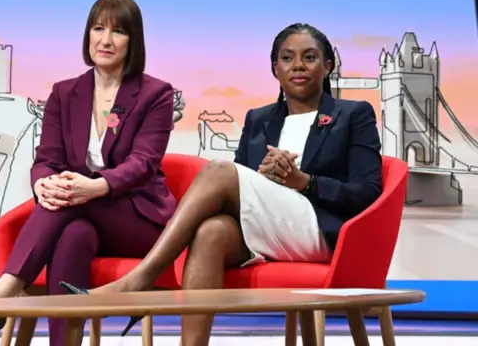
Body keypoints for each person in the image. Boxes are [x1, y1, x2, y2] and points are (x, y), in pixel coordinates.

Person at [61, 23, 383, 345]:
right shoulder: (260, 119)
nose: (297, 65)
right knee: (211, 232)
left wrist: (305, 182)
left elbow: (368, 193)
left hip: (319, 229)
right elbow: (242, 186)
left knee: (219, 171)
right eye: (287, 58)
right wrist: (264, 178)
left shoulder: (352, 114)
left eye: (309, 57)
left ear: (327, 66)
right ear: (275, 69)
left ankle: (140, 279)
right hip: (266, 226)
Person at [0, 0, 177, 346]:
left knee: (70, 198)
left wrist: (95, 187)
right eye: (98, 28)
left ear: (134, 40)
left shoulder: (155, 94)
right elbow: (46, 161)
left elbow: (143, 164)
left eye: (118, 31)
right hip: (81, 213)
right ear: (87, 35)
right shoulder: (65, 92)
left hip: (139, 218)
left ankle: (3, 293)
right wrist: (42, 185)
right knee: (73, 235)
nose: (105, 39)